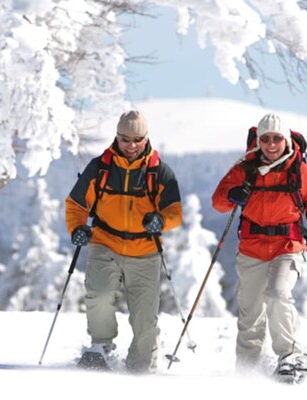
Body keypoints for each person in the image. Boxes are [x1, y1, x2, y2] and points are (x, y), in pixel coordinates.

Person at [65, 110, 183, 373]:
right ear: (116, 137)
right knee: (99, 293)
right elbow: (75, 204)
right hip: (105, 243)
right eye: (125, 139)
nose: (131, 145)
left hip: (145, 251)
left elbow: (174, 211)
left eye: (137, 139)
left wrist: (161, 221)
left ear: (146, 138)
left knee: (144, 318)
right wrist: (77, 228)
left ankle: (141, 369)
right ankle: (101, 346)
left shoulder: (159, 171)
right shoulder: (100, 168)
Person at [211, 113, 307, 377]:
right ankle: (247, 369)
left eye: (277, 138)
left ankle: (291, 354)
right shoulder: (245, 169)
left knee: (277, 294)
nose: (271, 144)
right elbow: (218, 203)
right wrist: (233, 194)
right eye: (266, 139)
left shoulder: (301, 172)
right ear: (258, 141)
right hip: (252, 248)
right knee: (250, 312)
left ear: (286, 140)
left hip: (288, 246)